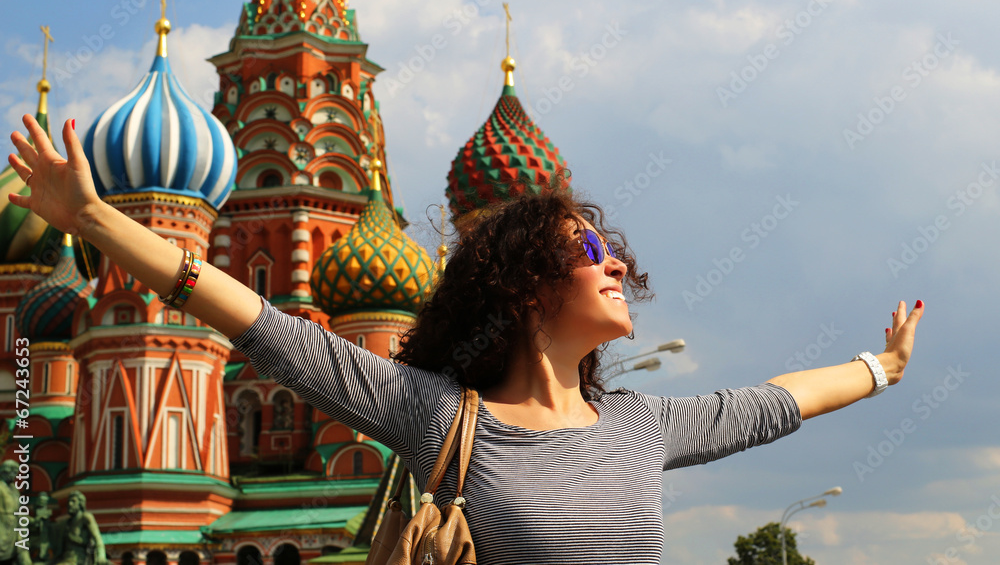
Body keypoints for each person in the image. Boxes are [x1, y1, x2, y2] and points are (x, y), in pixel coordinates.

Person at [8, 115, 925, 564]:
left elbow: (769, 404)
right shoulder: (447, 418)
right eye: (588, 254)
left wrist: (879, 368)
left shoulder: (643, 421)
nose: (615, 267)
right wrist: (94, 217)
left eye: (615, 255)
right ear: (527, 290)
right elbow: (269, 328)